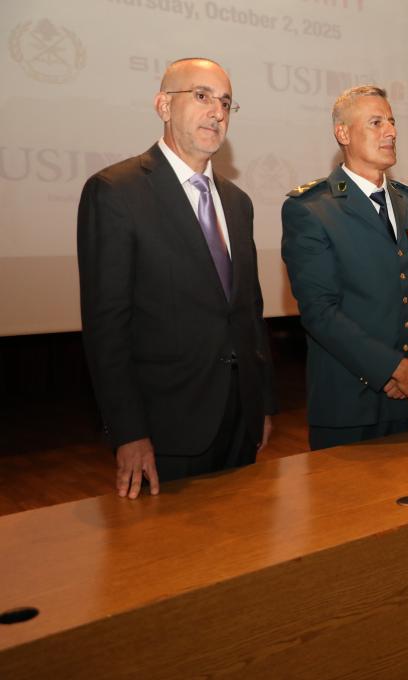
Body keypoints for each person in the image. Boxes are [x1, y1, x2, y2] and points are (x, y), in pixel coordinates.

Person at [77, 58, 276, 499]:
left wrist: (261, 402)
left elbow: (249, 311)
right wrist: (128, 432)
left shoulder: (238, 201)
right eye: (202, 96)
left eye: (225, 102)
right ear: (163, 105)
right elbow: (107, 326)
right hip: (166, 427)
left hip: (239, 420)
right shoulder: (116, 191)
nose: (217, 112)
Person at [281, 85, 408, 449]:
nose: (391, 131)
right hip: (348, 406)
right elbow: (320, 311)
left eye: (392, 121)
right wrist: (393, 369)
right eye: (376, 123)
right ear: (343, 133)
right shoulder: (312, 209)